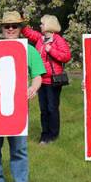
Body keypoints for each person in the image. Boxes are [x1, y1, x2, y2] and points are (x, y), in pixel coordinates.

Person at [0, 11, 45, 182]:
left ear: (20, 29)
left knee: (19, 148)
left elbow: (37, 75)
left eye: (14, 26)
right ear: (1, 29)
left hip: (17, 107)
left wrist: (33, 88)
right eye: (7, 26)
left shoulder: (30, 50)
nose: (10, 29)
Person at [21, 15, 72, 145]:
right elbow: (28, 32)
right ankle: (44, 135)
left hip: (53, 81)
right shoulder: (40, 39)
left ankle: (53, 135)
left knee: (52, 108)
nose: (40, 26)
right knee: (43, 110)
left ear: (49, 25)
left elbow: (66, 56)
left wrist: (52, 50)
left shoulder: (58, 40)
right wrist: (22, 22)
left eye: (42, 24)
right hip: (41, 81)